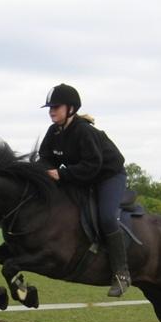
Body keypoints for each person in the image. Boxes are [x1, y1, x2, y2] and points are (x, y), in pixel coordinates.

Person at [38, 83, 130, 297]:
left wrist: (61, 174)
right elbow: (44, 157)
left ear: (70, 108)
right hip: (82, 176)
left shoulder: (83, 131)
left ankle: (121, 273)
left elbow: (92, 165)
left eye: (56, 107)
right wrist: (46, 171)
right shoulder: (54, 131)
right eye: (49, 108)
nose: (51, 111)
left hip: (108, 176)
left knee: (107, 217)